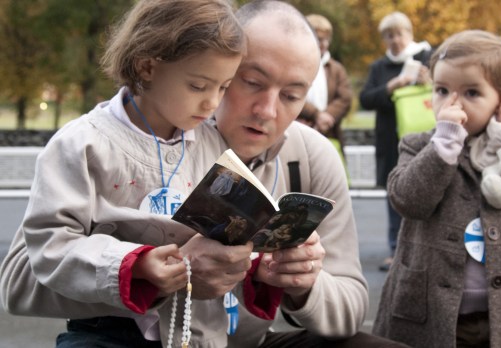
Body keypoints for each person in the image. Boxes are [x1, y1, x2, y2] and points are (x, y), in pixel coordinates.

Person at [0, 1, 409, 347]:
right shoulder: (118, 139)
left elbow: (351, 306)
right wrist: (154, 276)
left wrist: (300, 283)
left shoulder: (313, 155)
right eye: (248, 83)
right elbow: (21, 279)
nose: (268, 111)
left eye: (291, 96)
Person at [372, 30, 501, 347]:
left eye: (471, 92)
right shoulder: (419, 146)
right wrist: (441, 149)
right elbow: (408, 201)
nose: (453, 102)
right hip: (433, 315)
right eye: (442, 90)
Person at [359, 11, 432, 271]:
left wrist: (428, 81)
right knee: (396, 194)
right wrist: (394, 85)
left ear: (410, 33)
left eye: (399, 33)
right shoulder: (379, 67)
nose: (395, 40)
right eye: (389, 35)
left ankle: (427, 250)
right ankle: (397, 250)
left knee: (428, 191)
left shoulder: (427, 57)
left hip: (426, 139)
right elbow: (366, 99)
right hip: (392, 141)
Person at [298, 14, 353, 163]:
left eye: (326, 39)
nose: (323, 43)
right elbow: (291, 94)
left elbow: (345, 98)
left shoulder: (336, 68)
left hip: (329, 132)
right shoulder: (296, 65)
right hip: (300, 130)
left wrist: (325, 117)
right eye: (318, 38)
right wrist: (315, 115)